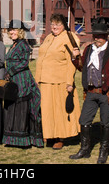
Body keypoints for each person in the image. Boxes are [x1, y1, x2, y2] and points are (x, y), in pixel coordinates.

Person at [69, 23, 109, 164]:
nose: (98, 38)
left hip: (107, 93)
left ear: (106, 36)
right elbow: (81, 67)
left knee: (106, 123)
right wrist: (74, 57)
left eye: (101, 36)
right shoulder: (89, 49)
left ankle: (103, 152)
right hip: (90, 92)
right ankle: (84, 150)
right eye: (96, 36)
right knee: (84, 120)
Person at [35, 13, 81, 150]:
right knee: (47, 111)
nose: (54, 27)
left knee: (60, 111)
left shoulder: (70, 37)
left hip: (60, 81)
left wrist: (69, 82)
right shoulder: (49, 37)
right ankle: (50, 135)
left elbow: (71, 62)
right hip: (45, 81)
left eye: (58, 24)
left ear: (64, 25)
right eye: (52, 24)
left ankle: (60, 137)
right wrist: (37, 79)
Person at [2, 20, 43, 148]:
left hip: (22, 79)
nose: (12, 32)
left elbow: (24, 62)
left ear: (20, 31)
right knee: (12, 107)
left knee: (21, 108)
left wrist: (11, 72)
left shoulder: (23, 45)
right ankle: (12, 138)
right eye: (10, 30)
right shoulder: (14, 44)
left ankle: (23, 140)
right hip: (13, 79)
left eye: (14, 30)